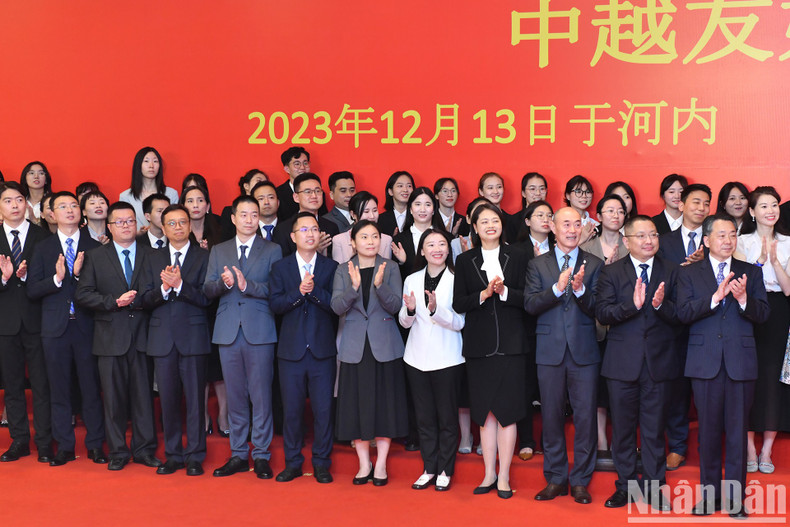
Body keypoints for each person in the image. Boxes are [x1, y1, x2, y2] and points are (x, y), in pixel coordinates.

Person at [676, 214, 770, 518]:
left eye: (732, 235)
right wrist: (714, 298)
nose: (728, 241)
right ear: (706, 240)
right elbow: (682, 313)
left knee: (737, 433)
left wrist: (743, 301)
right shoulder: (690, 274)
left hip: (740, 364)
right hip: (704, 364)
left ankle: (735, 500)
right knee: (708, 433)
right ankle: (708, 497)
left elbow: (764, 314)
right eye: (721, 235)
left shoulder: (750, 273)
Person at [595, 215, 681, 511]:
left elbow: (681, 315)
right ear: (626, 241)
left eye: (653, 235)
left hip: (660, 363)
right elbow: (603, 314)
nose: (649, 241)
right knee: (623, 430)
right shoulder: (611, 273)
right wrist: (631, 306)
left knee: (655, 429)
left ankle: (656, 489)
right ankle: (626, 487)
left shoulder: (671, 271)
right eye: (641, 236)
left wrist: (659, 305)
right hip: (621, 365)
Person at [524, 206, 604, 505]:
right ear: (552, 228)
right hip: (549, 351)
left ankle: (581, 481)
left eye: (577, 223)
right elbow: (530, 305)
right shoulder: (538, 265)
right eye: (565, 224)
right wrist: (557, 290)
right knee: (551, 417)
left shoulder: (595, 263)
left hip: (584, 351)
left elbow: (599, 308)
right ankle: (556, 478)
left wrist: (581, 292)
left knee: (585, 419)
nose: (572, 229)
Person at [74, 201, 161, 471]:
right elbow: (83, 294)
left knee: (144, 398)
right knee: (112, 399)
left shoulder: (152, 255)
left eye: (130, 221)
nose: (125, 226)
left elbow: (158, 293)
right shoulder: (96, 256)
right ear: (109, 227)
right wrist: (114, 302)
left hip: (143, 336)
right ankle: (118, 452)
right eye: (119, 222)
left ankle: (145, 450)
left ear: (137, 224)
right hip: (109, 338)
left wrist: (138, 301)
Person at [453, 203, 529, 500]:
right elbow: (459, 303)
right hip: (479, 347)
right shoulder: (465, 260)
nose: (490, 225)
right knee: (485, 415)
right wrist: (484, 294)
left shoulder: (519, 255)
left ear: (502, 224)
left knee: (507, 414)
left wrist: (505, 292)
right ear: (474, 227)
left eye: (495, 220)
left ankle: (505, 476)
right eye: (483, 221)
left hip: (511, 345)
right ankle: (488, 473)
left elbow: (529, 297)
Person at [203, 195, 282, 479]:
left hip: (259, 329)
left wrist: (249, 286)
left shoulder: (272, 249)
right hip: (227, 331)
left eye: (254, 215)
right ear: (233, 218)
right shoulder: (219, 250)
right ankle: (238, 453)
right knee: (235, 395)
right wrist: (222, 285)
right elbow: (207, 289)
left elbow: (276, 290)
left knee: (260, 396)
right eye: (244, 214)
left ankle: (261, 455)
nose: (249, 219)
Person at [27, 191, 106, 466]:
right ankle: (65, 446)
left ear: (82, 212)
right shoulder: (43, 248)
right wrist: (58, 279)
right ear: (52, 214)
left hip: (87, 326)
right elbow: (33, 289)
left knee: (90, 388)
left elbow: (102, 287)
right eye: (63, 206)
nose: (70, 210)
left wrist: (77, 275)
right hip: (55, 329)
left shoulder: (95, 247)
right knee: (58, 389)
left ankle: (96, 445)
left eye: (74, 205)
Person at [331, 220, 407, 486]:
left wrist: (379, 286)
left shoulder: (391, 268)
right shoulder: (343, 269)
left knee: (385, 404)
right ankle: (364, 464)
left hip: (384, 344)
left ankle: (382, 464)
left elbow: (396, 305)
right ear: (352, 242)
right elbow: (336, 307)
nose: (371, 241)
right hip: (354, 346)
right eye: (364, 237)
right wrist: (353, 289)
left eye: (375, 236)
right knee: (356, 405)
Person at [140, 204, 212, 476]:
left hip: (193, 337)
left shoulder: (204, 256)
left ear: (190, 225)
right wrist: (164, 288)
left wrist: (181, 286)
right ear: (163, 227)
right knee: (168, 400)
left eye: (183, 222)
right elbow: (144, 299)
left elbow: (207, 297)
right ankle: (173, 455)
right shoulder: (151, 257)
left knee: (195, 400)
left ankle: (195, 455)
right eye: (172, 223)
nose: (179, 227)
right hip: (162, 338)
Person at [269, 213, 339, 484]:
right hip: (291, 352)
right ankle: (293, 462)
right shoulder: (280, 268)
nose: (310, 234)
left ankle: (322, 463)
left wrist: (314, 292)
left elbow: (336, 305)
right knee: (292, 411)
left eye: (314, 229)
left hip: (322, 351)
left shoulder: (332, 267)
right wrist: (299, 293)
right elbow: (275, 305)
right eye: (304, 230)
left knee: (323, 411)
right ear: (293, 236)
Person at [400, 229, 465, 491]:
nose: (437, 249)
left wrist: (437, 311)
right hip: (416, 358)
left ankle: (445, 470)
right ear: (422, 251)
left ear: (448, 250)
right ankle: (429, 468)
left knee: (447, 418)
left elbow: (461, 322)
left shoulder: (457, 279)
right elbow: (404, 321)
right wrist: (412, 310)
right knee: (424, 418)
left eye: (441, 244)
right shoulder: (412, 279)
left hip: (448, 357)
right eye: (430, 245)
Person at [735, 187, 790, 475]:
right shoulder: (740, 241)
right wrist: (760, 261)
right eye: (764, 205)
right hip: (748, 309)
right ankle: (747, 448)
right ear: (752, 212)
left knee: (772, 379)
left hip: (779, 311)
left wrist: (776, 260)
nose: (771, 210)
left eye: (775, 204)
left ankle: (766, 450)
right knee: (746, 377)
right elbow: (743, 279)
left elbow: (789, 288)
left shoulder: (789, 241)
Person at [656, 183, 710, 471]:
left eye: (706, 204)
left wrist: (707, 264)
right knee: (676, 390)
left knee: (706, 391)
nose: (701, 208)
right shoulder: (664, 241)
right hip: (673, 324)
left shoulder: (717, 239)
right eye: (695, 202)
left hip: (707, 325)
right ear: (681, 205)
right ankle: (677, 446)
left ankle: (708, 448)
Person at [0, 181, 53, 463]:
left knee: (42, 385)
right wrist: (5, 278)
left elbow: (51, 279)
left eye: (19, 200)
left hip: (37, 320)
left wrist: (24, 277)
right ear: (0, 208)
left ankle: (45, 441)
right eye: (8, 201)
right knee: (12, 385)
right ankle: (19, 440)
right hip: (5, 324)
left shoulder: (42, 237)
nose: (15, 205)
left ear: (27, 204)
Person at [581, 194, 630, 455]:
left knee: (624, 387)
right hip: (594, 327)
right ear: (598, 216)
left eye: (620, 211)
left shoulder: (631, 246)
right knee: (598, 386)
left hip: (624, 327)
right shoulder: (587, 248)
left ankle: (623, 440)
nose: (615, 215)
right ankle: (600, 438)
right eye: (609, 210)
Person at [272, 173, 339, 257]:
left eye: (318, 191)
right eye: (308, 192)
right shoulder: (282, 230)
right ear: (296, 197)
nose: (314, 196)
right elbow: (282, 265)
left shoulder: (332, 227)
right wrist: (314, 250)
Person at [119, 147, 179, 229]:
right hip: (137, 240)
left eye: (155, 161)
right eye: (146, 161)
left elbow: (175, 221)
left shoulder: (171, 194)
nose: (151, 166)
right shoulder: (126, 196)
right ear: (138, 165)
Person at [392, 187, 445, 276]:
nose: (423, 209)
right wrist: (403, 262)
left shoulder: (446, 238)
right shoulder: (399, 240)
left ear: (433, 210)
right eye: (417, 204)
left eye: (428, 204)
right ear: (410, 209)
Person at [332, 191, 392, 263]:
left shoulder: (386, 240)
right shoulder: (339, 240)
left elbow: (387, 270)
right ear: (353, 214)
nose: (372, 216)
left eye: (375, 210)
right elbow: (339, 271)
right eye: (366, 212)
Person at [277, 147, 327, 220]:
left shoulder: (317, 193)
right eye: (297, 164)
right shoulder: (278, 194)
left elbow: (323, 217)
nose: (302, 167)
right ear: (287, 169)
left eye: (305, 163)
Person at [220, 169, 268, 241]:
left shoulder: (267, 209)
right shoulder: (229, 212)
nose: (262, 185)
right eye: (259, 181)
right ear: (246, 186)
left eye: (265, 183)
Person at [180, 185, 221, 251]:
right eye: (190, 201)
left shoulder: (220, 232)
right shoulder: (178, 232)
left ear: (208, 206)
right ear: (183, 207)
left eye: (200, 200)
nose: (195, 205)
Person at [510, 172, 549, 242]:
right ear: (523, 193)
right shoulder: (513, 221)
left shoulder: (552, 219)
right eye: (532, 189)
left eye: (542, 188)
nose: (538, 193)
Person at [378, 171, 415, 237]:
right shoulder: (380, 220)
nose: (405, 190)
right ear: (390, 191)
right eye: (400, 186)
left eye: (409, 186)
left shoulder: (418, 217)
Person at [563, 175, 598, 244]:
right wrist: (581, 239)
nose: (584, 196)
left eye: (588, 192)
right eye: (578, 192)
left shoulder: (596, 226)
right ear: (568, 195)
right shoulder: (559, 221)